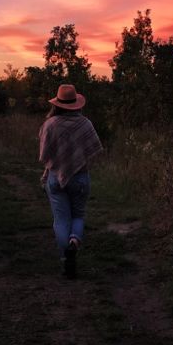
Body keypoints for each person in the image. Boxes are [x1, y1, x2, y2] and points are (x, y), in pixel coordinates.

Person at [38, 83, 103, 279]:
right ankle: (74, 242)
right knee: (78, 216)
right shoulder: (86, 124)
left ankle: (65, 258)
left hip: (55, 178)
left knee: (61, 219)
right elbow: (93, 151)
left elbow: (44, 155)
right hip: (81, 177)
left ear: (57, 104)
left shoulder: (50, 124)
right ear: (76, 103)